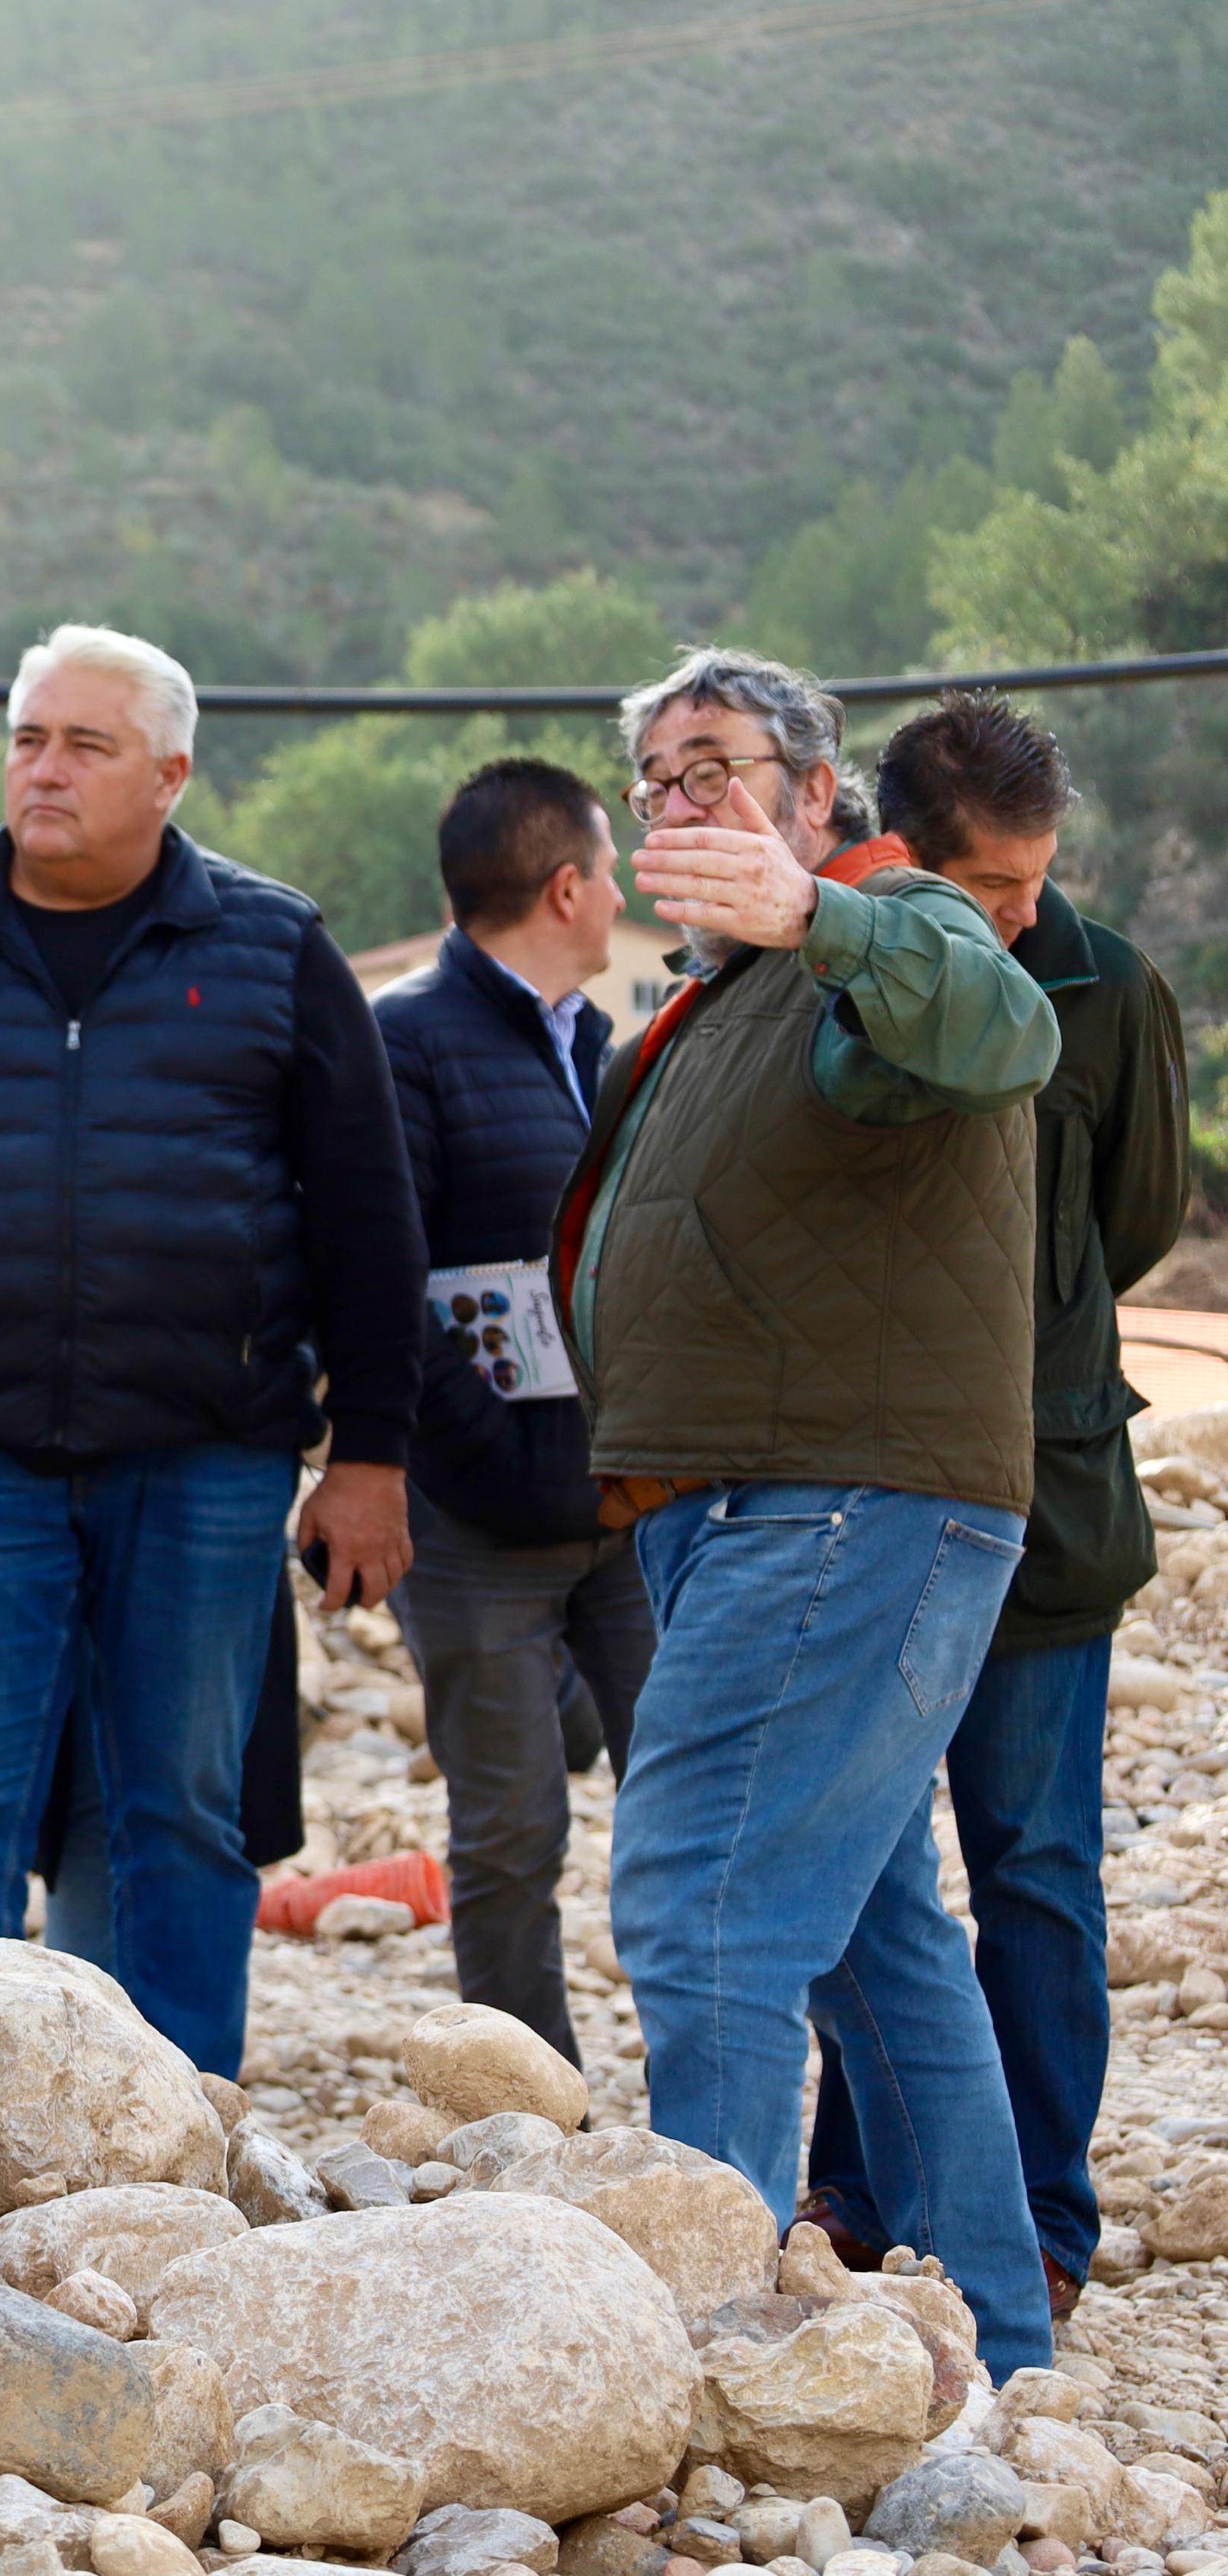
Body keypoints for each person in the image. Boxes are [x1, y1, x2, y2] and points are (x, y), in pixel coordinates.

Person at [0, 623, 425, 2076]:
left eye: (85, 744)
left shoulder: (273, 950)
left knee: (179, 1807)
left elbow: (369, 1220)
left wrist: (368, 1454)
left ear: (170, 774)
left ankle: (167, 2122)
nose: (43, 769)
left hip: (206, 1462)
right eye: (28, 738)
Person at [560, 648, 1063, 2370]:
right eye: (658, 779)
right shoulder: (718, 999)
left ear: (811, 790)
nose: (682, 801)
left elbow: (1003, 1018)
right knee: (870, 1940)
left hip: (844, 1500)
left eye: (716, 764)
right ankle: (999, 2340)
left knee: (699, 1885)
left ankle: (701, 2350)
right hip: (738, 1504)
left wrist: (820, 906)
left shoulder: (877, 929)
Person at [798, 693, 1185, 2325]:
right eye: (989, 886)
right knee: (864, 1867)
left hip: (1043, 1503)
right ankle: (856, 2185)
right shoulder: (825, 974)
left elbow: (1134, 1220)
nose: (1020, 915)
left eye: (1037, 879)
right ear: (896, 857)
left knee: (1032, 1868)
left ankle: (1038, 2210)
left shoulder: (1110, 990)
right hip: (868, 1499)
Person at [374, 759, 657, 2068]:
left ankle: (707, 2103)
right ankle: (528, 2115)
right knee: (510, 1833)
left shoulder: (596, 1045)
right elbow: (387, 1284)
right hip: (483, 1520)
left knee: (684, 1801)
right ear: (563, 887)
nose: (620, 893)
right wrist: (484, 1462)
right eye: (608, 870)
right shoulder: (408, 1042)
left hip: (625, 1510)